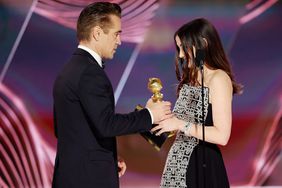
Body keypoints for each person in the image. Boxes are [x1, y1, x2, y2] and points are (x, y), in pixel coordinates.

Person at [52, 2, 172, 188]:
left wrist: (106, 157)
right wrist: (150, 115)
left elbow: (68, 129)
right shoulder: (89, 73)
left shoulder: (71, 69)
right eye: (116, 34)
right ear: (97, 33)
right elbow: (107, 124)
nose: (119, 41)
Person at [151, 18, 242, 188]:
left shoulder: (218, 79)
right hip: (177, 165)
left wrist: (179, 123)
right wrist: (157, 117)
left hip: (202, 165)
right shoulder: (190, 77)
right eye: (178, 48)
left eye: (184, 48)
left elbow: (222, 136)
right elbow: (182, 125)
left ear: (203, 44)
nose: (180, 55)